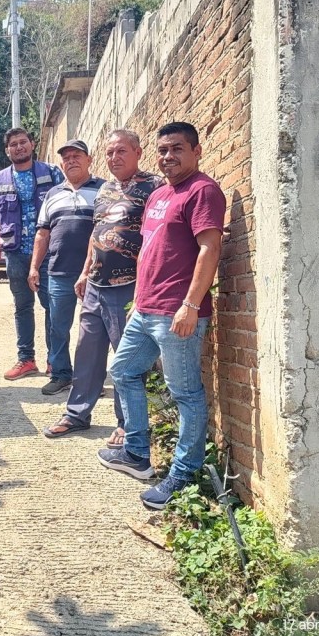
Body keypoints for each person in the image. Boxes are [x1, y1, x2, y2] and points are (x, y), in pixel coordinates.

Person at [98, 121, 226, 510]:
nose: (168, 157)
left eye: (177, 149)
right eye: (163, 151)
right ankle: (137, 453)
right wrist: (138, 298)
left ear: (196, 151)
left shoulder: (203, 191)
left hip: (177, 313)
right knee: (123, 371)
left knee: (186, 393)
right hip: (146, 308)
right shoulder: (159, 195)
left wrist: (190, 305)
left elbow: (210, 250)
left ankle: (183, 476)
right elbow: (151, 250)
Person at [43, 131, 162, 442]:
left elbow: (157, 238)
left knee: (126, 358)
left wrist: (146, 285)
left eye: (121, 151)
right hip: (95, 284)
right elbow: (97, 234)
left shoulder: (154, 187)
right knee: (87, 353)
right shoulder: (105, 190)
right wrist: (84, 273)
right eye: (109, 153)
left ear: (137, 151)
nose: (114, 158)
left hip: (128, 286)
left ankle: (128, 422)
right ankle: (76, 414)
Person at [0, 128, 64, 381]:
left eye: (23, 142)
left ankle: (55, 361)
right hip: (15, 253)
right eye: (13, 144)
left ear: (32, 144)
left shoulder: (52, 173)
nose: (19, 147)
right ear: (6, 150)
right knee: (22, 307)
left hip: (48, 253)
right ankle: (26, 359)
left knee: (52, 306)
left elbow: (63, 205)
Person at [28, 140, 105, 395]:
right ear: (61, 164)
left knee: (94, 328)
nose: (71, 160)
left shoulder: (104, 189)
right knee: (58, 327)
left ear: (89, 159)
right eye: (66, 157)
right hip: (58, 271)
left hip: (96, 272)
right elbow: (42, 233)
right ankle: (61, 374)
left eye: (76, 156)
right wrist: (34, 267)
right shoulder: (52, 194)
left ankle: (92, 378)